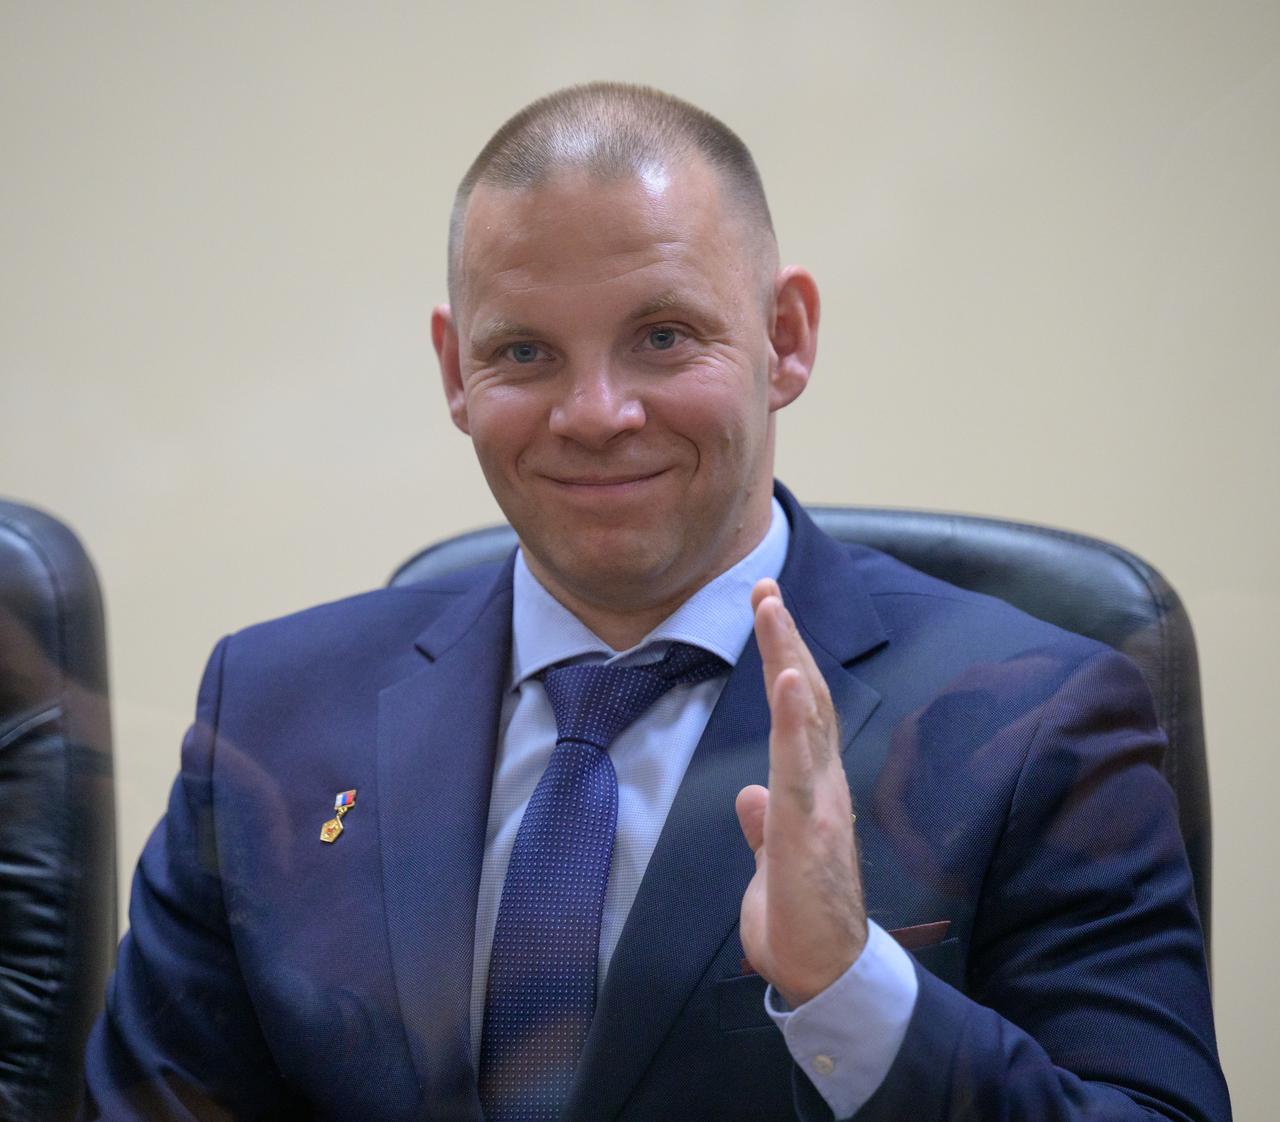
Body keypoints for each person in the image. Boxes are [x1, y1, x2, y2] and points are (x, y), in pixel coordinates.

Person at [82, 83, 1230, 1121]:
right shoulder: (274, 711)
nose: (594, 412)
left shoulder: (1034, 720)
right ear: (452, 371)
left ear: (783, 340)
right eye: (524, 352)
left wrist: (853, 993)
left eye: (662, 337)